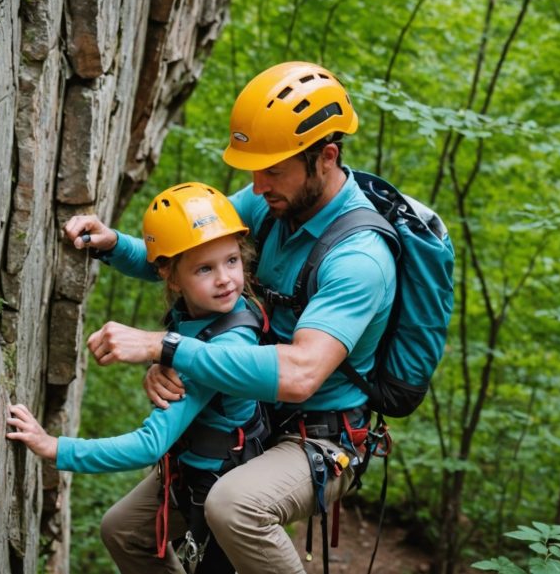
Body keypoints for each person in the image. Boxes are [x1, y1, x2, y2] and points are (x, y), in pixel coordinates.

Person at [63, 61, 397, 574]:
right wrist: (116, 246)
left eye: (272, 169)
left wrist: (168, 348)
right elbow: (192, 255)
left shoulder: (359, 259)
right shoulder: (275, 203)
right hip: (248, 412)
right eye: (254, 170)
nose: (256, 185)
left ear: (325, 158)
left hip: (318, 434)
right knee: (124, 530)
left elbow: (300, 375)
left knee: (233, 505)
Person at [9, 182, 268, 573]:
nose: (226, 279)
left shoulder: (227, 341)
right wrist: (110, 244)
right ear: (172, 278)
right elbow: (160, 255)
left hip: (219, 483)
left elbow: (148, 445)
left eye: (232, 261)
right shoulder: (198, 312)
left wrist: (54, 447)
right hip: (191, 470)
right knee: (122, 530)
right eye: (205, 268)